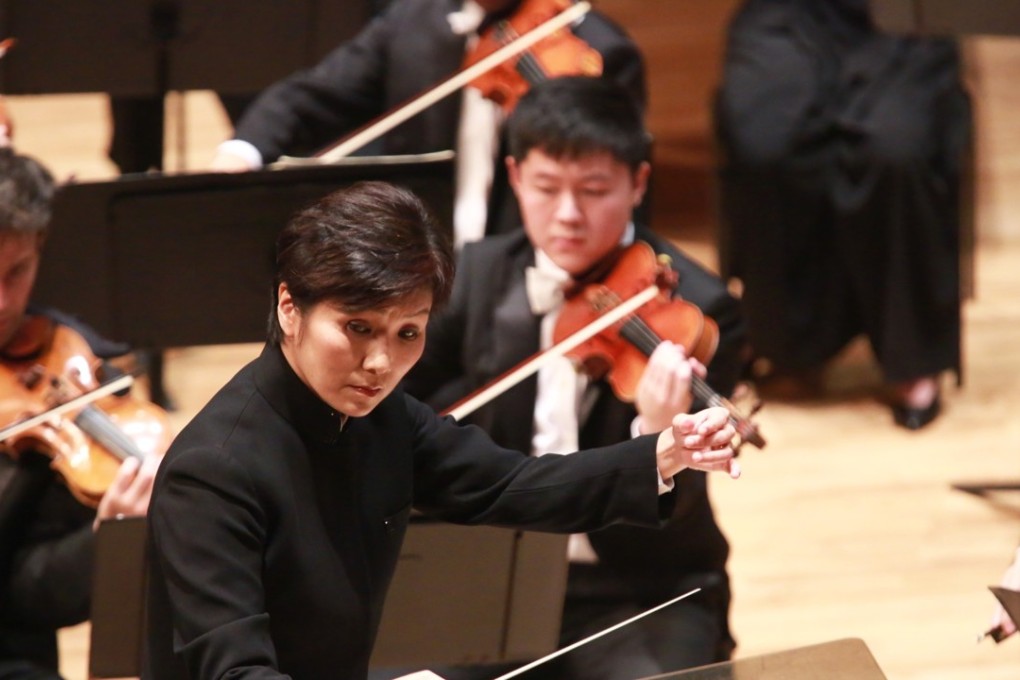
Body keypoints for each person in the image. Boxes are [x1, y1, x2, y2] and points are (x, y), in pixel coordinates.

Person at [142, 180, 742, 680]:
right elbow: (235, 671)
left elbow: (513, 485)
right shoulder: (214, 473)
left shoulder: (382, 418)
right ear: (289, 308)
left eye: (408, 333)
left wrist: (662, 455)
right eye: (356, 327)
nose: (381, 364)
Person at [401, 76, 748, 678]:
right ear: (513, 176)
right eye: (545, 187)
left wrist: (658, 434)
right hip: (488, 574)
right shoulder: (477, 277)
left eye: (593, 190)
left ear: (638, 183)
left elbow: (680, 519)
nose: (567, 215)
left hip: (639, 588)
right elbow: (402, 406)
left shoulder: (701, 309)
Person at [713, 0, 972, 429]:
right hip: (786, 14)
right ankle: (788, 339)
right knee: (765, 145)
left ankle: (912, 354)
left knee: (896, 152)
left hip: (905, 14)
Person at [209, 0, 646, 247]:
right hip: (418, 254)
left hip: (527, 266)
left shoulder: (598, 52)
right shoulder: (412, 23)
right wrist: (242, 150)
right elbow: (310, 96)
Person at [0, 148, 161, 680]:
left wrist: (114, 538)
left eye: (16, 272)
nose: (0, 302)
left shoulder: (72, 363)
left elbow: (27, 597)